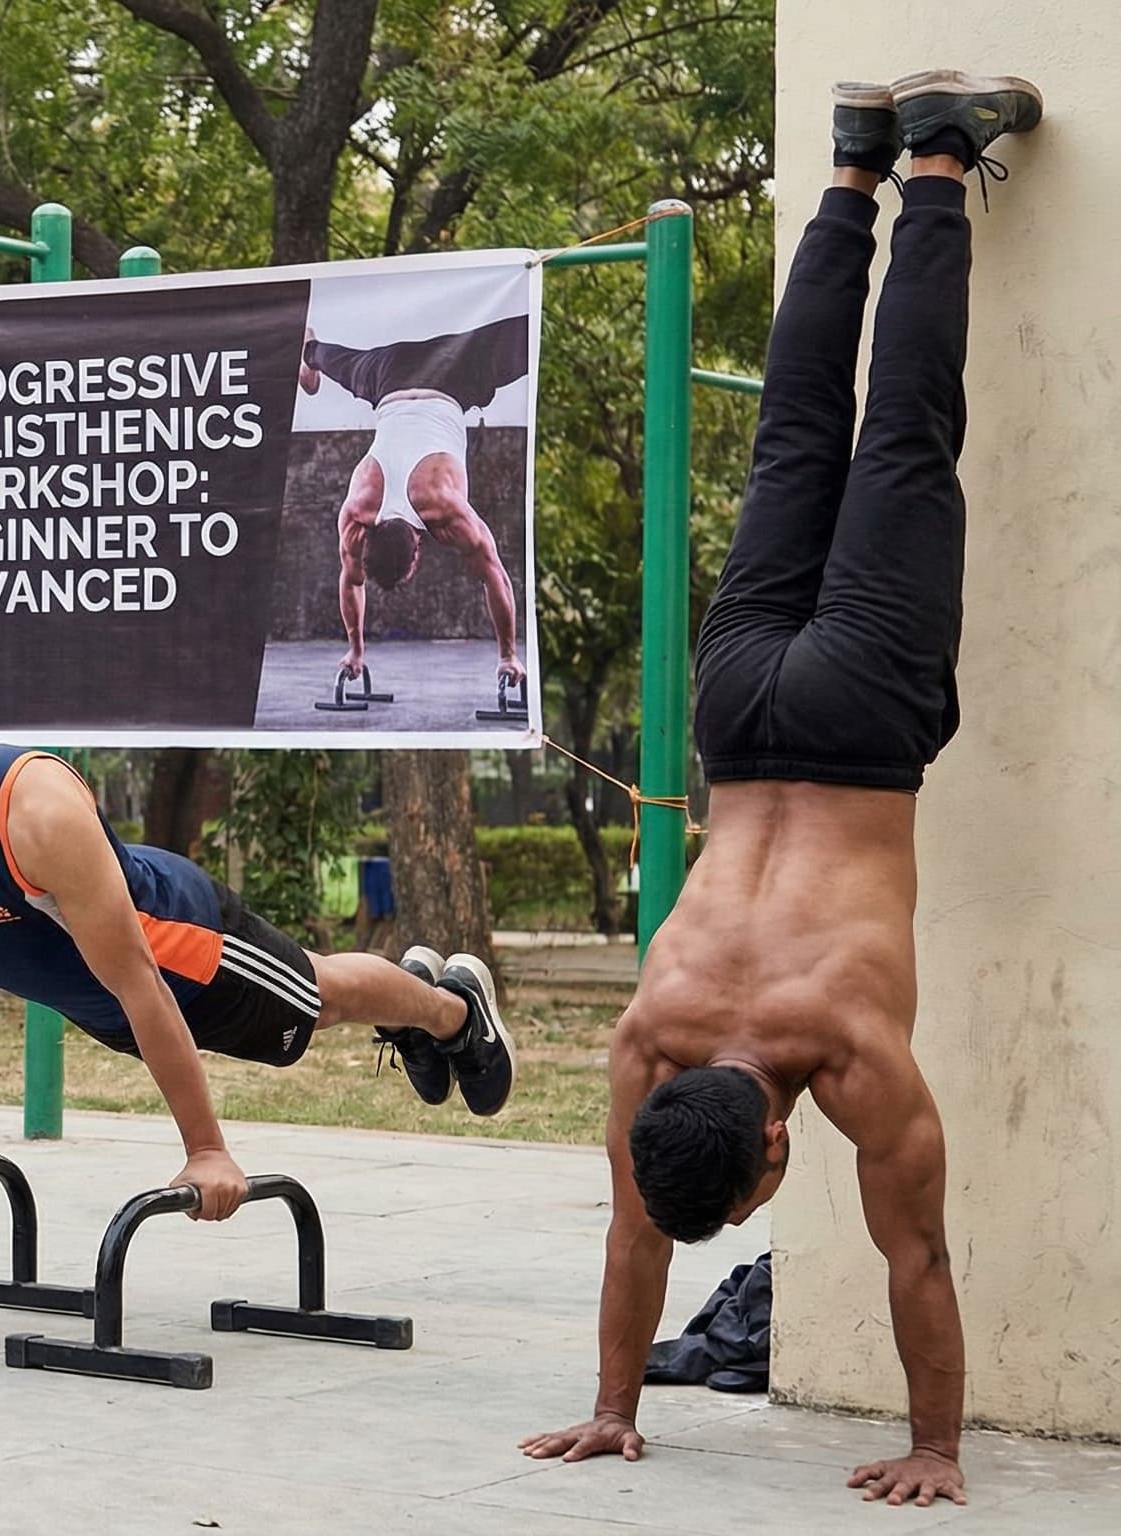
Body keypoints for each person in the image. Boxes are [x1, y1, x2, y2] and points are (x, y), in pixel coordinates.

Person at [518, 71, 1043, 1509]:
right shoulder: (649, 1039)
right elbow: (637, 1227)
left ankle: (938, 154)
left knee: (905, 434)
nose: (768, 1190)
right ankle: (852, 171)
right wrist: (612, 1406)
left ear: (764, 1143)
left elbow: (915, 1258)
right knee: (799, 436)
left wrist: (939, 1450)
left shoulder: (852, 1063)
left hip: (864, 721)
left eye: (758, 1192)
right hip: (738, 720)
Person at [0, 632, 517, 1219]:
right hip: (101, 997)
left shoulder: (33, 812)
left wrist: (205, 1149)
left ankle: (449, 1009)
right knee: (313, 1000)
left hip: (182, 948)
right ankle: (421, 996)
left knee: (317, 999)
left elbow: (139, 973)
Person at [298, 312, 531, 694]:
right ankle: (310, 351)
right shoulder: (360, 510)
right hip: (387, 373)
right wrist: (354, 650)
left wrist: (508, 656)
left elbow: (496, 576)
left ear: (419, 550)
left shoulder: (444, 510)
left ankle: (309, 353)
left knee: (526, 337)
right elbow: (352, 578)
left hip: (453, 373)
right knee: (342, 365)